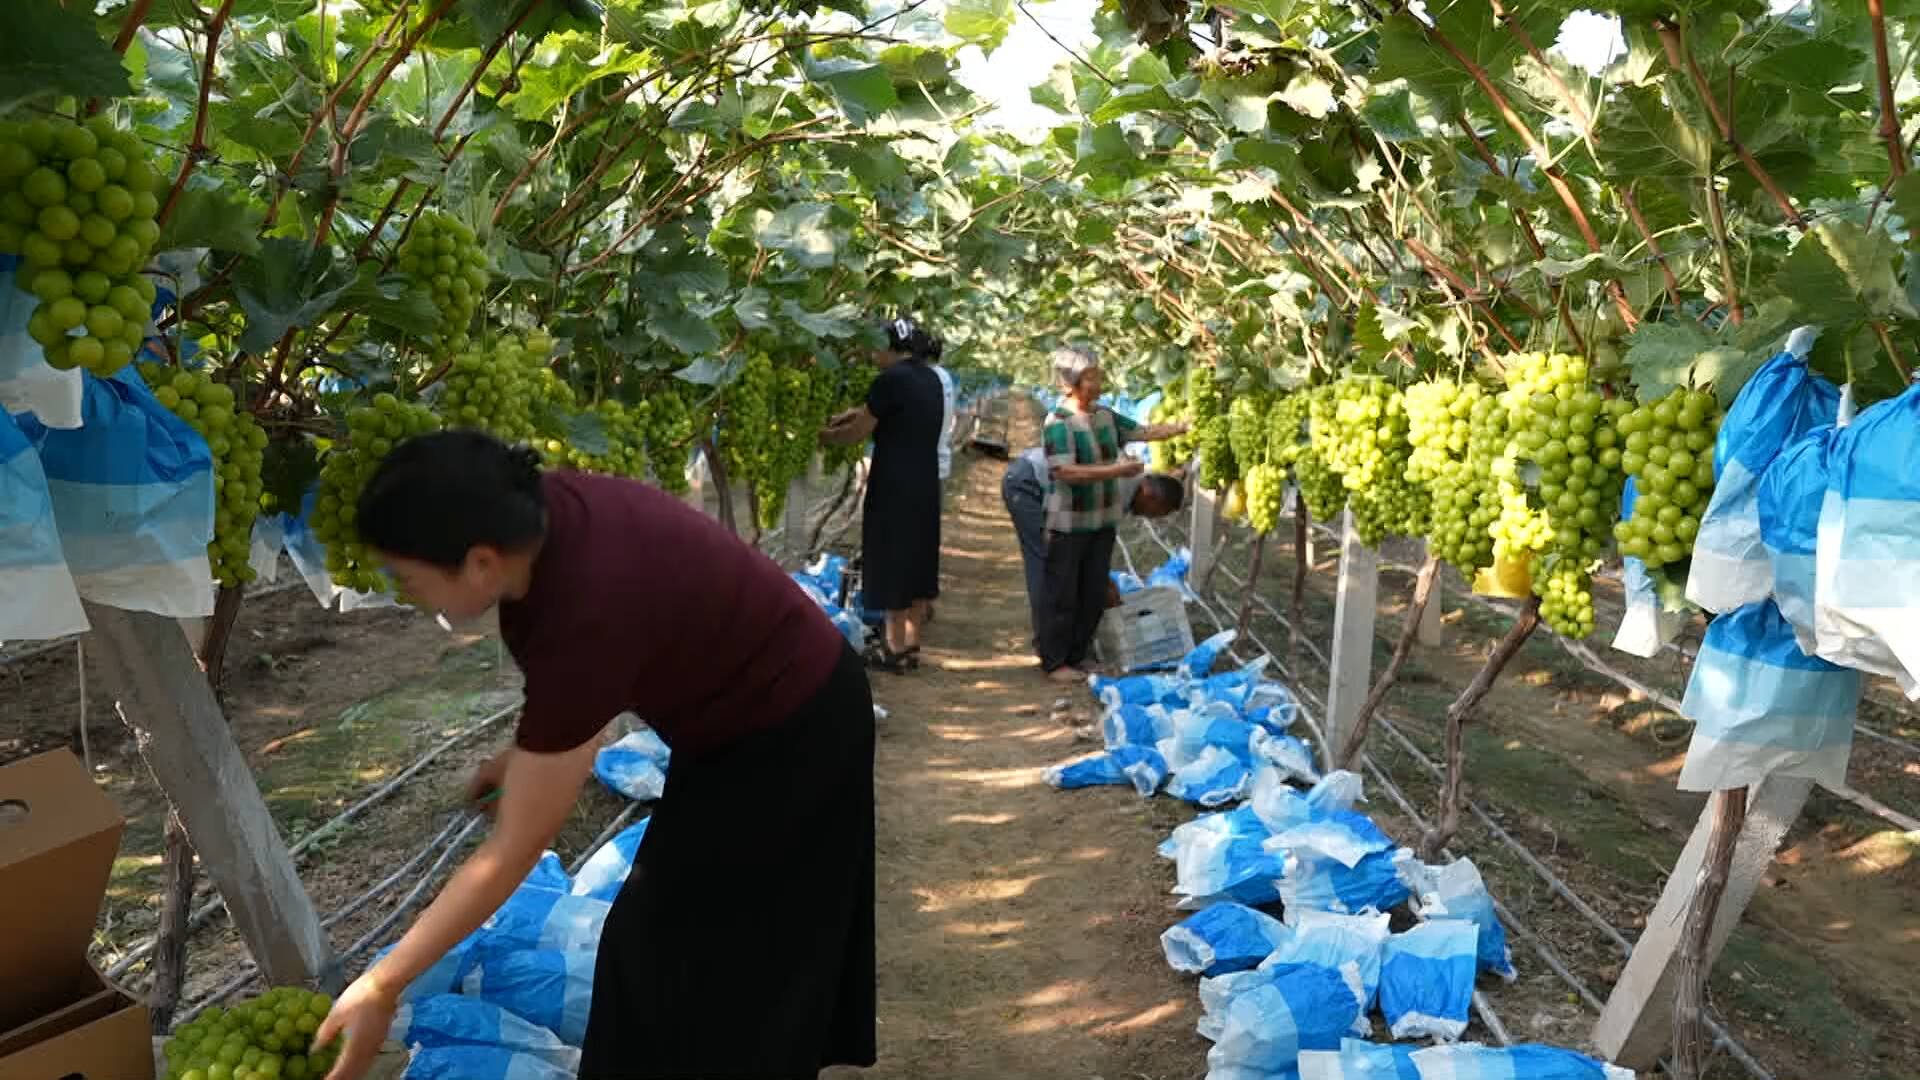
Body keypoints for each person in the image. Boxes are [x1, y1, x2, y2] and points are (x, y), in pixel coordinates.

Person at [312, 431, 876, 1080]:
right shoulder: (551, 520)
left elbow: (511, 852)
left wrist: (384, 985)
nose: (409, 599)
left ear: (479, 562)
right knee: (659, 947)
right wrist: (527, 756)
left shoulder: (580, 606)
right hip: (741, 723)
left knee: (740, 962)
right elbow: (589, 685)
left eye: (409, 580)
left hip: (794, 735)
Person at [1037, 345, 1188, 683]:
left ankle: (1079, 656)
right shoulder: (1058, 422)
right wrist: (1115, 471)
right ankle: (1055, 662)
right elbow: (1064, 472)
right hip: (1069, 522)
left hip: (1101, 521)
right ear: (1071, 383)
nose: (1100, 381)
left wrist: (1181, 428)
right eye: (1092, 376)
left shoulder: (1105, 415)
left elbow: (1141, 432)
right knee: (1062, 592)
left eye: (1098, 374)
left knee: (1091, 593)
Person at [820, 317, 945, 673]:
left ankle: (892, 648)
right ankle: (911, 646)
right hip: (924, 482)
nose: (871, 354)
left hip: (893, 484)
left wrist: (822, 436)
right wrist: (852, 414)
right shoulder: (929, 377)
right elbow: (884, 414)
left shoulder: (889, 380)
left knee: (890, 559)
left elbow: (860, 430)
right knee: (918, 561)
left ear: (889, 347)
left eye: (875, 346)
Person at [1003, 445, 1184, 656]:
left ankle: (1062, 646)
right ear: (1151, 495)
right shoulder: (1116, 490)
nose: (1151, 518)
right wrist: (1102, 582)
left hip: (1047, 488)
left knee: (1068, 569)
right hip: (1029, 485)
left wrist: (1101, 579)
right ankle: (1051, 651)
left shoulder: (1128, 488)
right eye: (1158, 512)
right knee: (1048, 564)